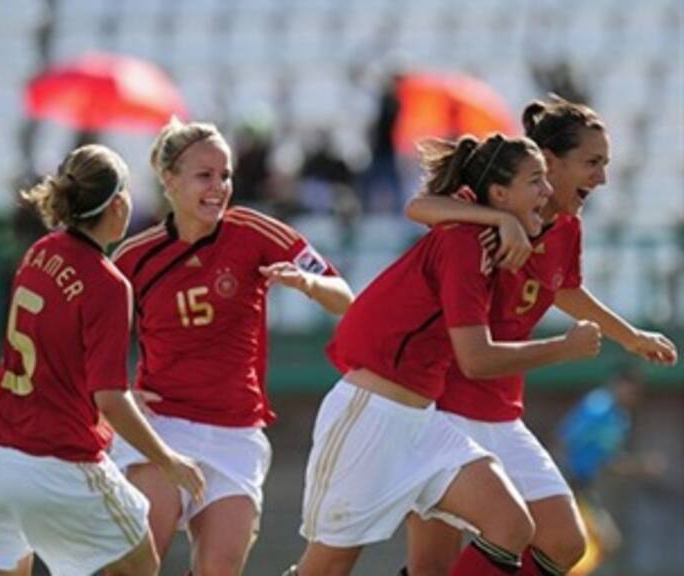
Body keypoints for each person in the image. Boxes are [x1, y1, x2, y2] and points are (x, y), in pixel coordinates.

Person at [283, 133, 605, 576]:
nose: (547, 192)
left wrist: (504, 221)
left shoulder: (487, 236)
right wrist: (563, 349)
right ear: (498, 194)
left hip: (422, 422)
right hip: (370, 415)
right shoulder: (465, 242)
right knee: (326, 568)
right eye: (536, 182)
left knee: (509, 525)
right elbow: (475, 359)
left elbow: (425, 207)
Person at [400, 96, 679, 576]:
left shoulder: (567, 227)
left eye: (606, 165)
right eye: (592, 163)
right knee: (431, 564)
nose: (602, 178)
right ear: (549, 162)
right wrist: (500, 219)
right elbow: (419, 208)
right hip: (440, 406)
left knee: (564, 542)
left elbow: (564, 289)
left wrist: (630, 336)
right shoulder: (495, 199)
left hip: (500, 411)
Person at [109, 117, 354, 576]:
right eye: (205, 175)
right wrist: (118, 393)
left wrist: (307, 283)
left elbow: (345, 299)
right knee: (138, 565)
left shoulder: (256, 232)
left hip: (236, 434)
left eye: (225, 175)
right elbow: (88, 342)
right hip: (162, 427)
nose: (219, 186)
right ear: (170, 179)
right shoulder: (133, 258)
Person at [0, 144, 205, 576]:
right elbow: (109, 397)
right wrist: (169, 460)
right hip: (56, 463)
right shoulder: (108, 284)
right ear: (117, 204)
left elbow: (59, 365)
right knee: (139, 567)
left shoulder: (39, 251)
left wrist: (117, 404)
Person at [555, 367, 665, 576]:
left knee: (601, 542)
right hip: (570, 484)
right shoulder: (596, 407)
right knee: (596, 540)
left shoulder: (619, 419)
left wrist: (639, 466)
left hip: (585, 486)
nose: (633, 396)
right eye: (630, 389)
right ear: (618, 385)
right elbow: (564, 440)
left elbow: (609, 461)